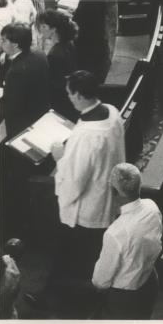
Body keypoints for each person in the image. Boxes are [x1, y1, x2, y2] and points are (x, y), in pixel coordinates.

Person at [51, 71, 126, 283]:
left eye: (70, 94)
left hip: (87, 206)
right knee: (90, 254)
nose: (68, 97)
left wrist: (60, 157)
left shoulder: (88, 135)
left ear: (80, 96)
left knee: (76, 257)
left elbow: (75, 181)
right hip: (106, 194)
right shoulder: (111, 112)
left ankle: (68, 298)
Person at [91, 163, 162, 318]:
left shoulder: (115, 233)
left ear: (114, 192)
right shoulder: (153, 207)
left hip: (125, 299)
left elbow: (100, 282)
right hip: (150, 282)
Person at [0, 23, 49, 137]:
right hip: (40, 110)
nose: (0, 43)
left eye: (3, 40)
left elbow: (11, 104)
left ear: (16, 45)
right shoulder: (38, 53)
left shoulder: (16, 72)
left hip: (23, 121)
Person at [72, 0, 116, 83]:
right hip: (99, 48)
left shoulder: (85, 4)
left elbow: (76, 29)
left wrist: (70, 18)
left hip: (88, 53)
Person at [35, 9, 78, 119]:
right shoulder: (68, 43)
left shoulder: (54, 54)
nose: (40, 29)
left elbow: (53, 85)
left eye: (43, 26)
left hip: (60, 105)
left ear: (53, 29)